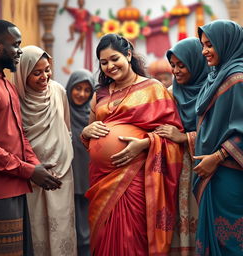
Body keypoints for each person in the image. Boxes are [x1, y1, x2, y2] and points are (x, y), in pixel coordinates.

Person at [81, 33, 184, 255]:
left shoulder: (152, 88)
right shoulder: (99, 93)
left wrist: (144, 144)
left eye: (114, 58)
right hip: (101, 179)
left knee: (132, 237)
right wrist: (86, 131)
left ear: (128, 55)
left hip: (136, 178)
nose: (110, 66)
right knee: (103, 238)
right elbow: (90, 134)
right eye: (104, 62)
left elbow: (171, 135)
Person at [0, 20, 61, 256]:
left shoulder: (6, 85)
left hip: (16, 188)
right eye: (16, 44)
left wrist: (37, 167)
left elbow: (20, 135)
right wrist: (29, 171)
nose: (20, 50)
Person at [12, 45, 77, 256]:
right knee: (36, 227)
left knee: (62, 225)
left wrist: (61, 157)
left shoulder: (58, 91)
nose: (45, 77)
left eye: (47, 70)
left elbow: (66, 128)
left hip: (62, 172)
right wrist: (32, 169)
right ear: (23, 74)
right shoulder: (15, 98)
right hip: (31, 174)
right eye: (36, 73)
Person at [193, 20, 243, 255]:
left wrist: (218, 156)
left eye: (210, 45)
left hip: (231, 173)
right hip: (211, 173)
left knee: (231, 242)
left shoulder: (238, 78)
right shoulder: (215, 77)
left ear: (226, 43)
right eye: (203, 45)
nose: (204, 51)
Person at [156, 37, 209, 255]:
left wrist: (185, 137)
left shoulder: (211, 92)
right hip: (175, 170)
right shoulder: (168, 94)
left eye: (182, 65)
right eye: (173, 65)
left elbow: (218, 133)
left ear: (196, 63)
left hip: (205, 168)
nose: (175, 71)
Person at [66, 69, 95, 256]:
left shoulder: (93, 115)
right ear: (69, 88)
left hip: (88, 182)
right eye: (78, 88)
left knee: (87, 231)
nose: (82, 94)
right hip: (66, 181)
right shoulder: (61, 112)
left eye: (87, 90)